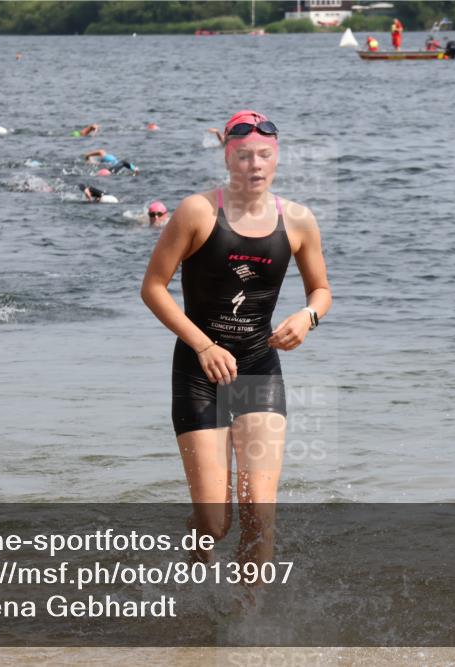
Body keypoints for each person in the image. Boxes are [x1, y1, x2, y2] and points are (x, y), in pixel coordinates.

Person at [140, 110, 331, 570]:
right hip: (199, 371)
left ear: (277, 157)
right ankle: (199, 539)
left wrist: (308, 317)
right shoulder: (197, 213)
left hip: (258, 369)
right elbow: (152, 287)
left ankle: (248, 631)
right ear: (228, 157)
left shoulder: (299, 221)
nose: (255, 165)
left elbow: (321, 291)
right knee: (215, 521)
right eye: (244, 156)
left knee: (258, 515)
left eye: (264, 155)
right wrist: (203, 345)